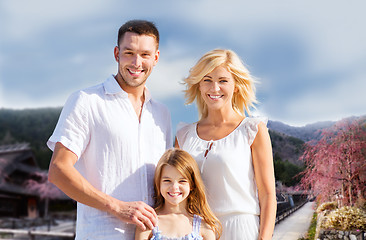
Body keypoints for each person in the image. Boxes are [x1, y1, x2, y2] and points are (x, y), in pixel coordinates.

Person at [47, 20, 172, 239]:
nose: (136, 62)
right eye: (129, 52)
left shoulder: (162, 114)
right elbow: (58, 170)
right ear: (116, 53)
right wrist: (117, 207)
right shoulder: (86, 101)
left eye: (145, 54)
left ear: (156, 58)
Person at [175, 49, 277, 239]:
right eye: (207, 80)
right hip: (196, 230)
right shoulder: (183, 135)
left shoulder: (252, 130)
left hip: (241, 229)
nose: (214, 88)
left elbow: (268, 194)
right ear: (198, 85)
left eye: (223, 81)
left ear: (236, 86)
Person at [135, 148, 221, 240]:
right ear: (158, 183)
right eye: (167, 180)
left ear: (192, 184)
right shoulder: (148, 223)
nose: (174, 187)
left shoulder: (204, 226)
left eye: (182, 181)